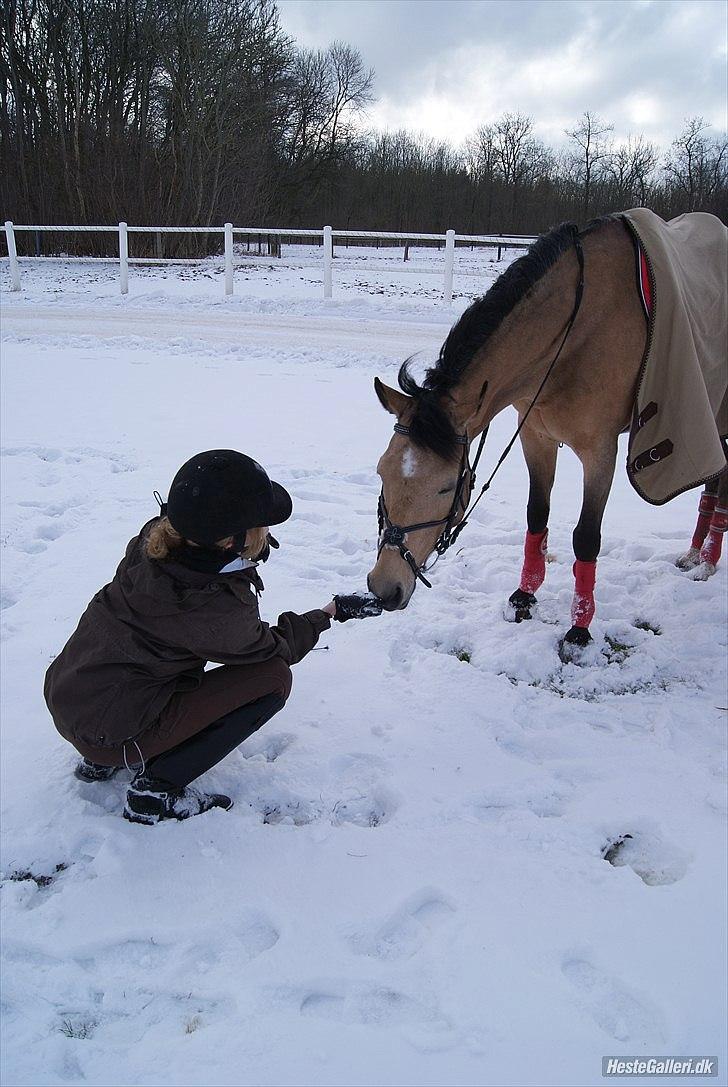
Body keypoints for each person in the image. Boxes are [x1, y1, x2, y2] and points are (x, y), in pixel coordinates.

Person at [44, 449, 381, 826]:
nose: (267, 531)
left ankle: (98, 758)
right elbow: (273, 648)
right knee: (273, 678)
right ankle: (154, 792)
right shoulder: (210, 605)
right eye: (260, 526)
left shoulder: (157, 539)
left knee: (141, 652)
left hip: (71, 694)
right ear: (230, 541)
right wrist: (330, 613)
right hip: (109, 731)